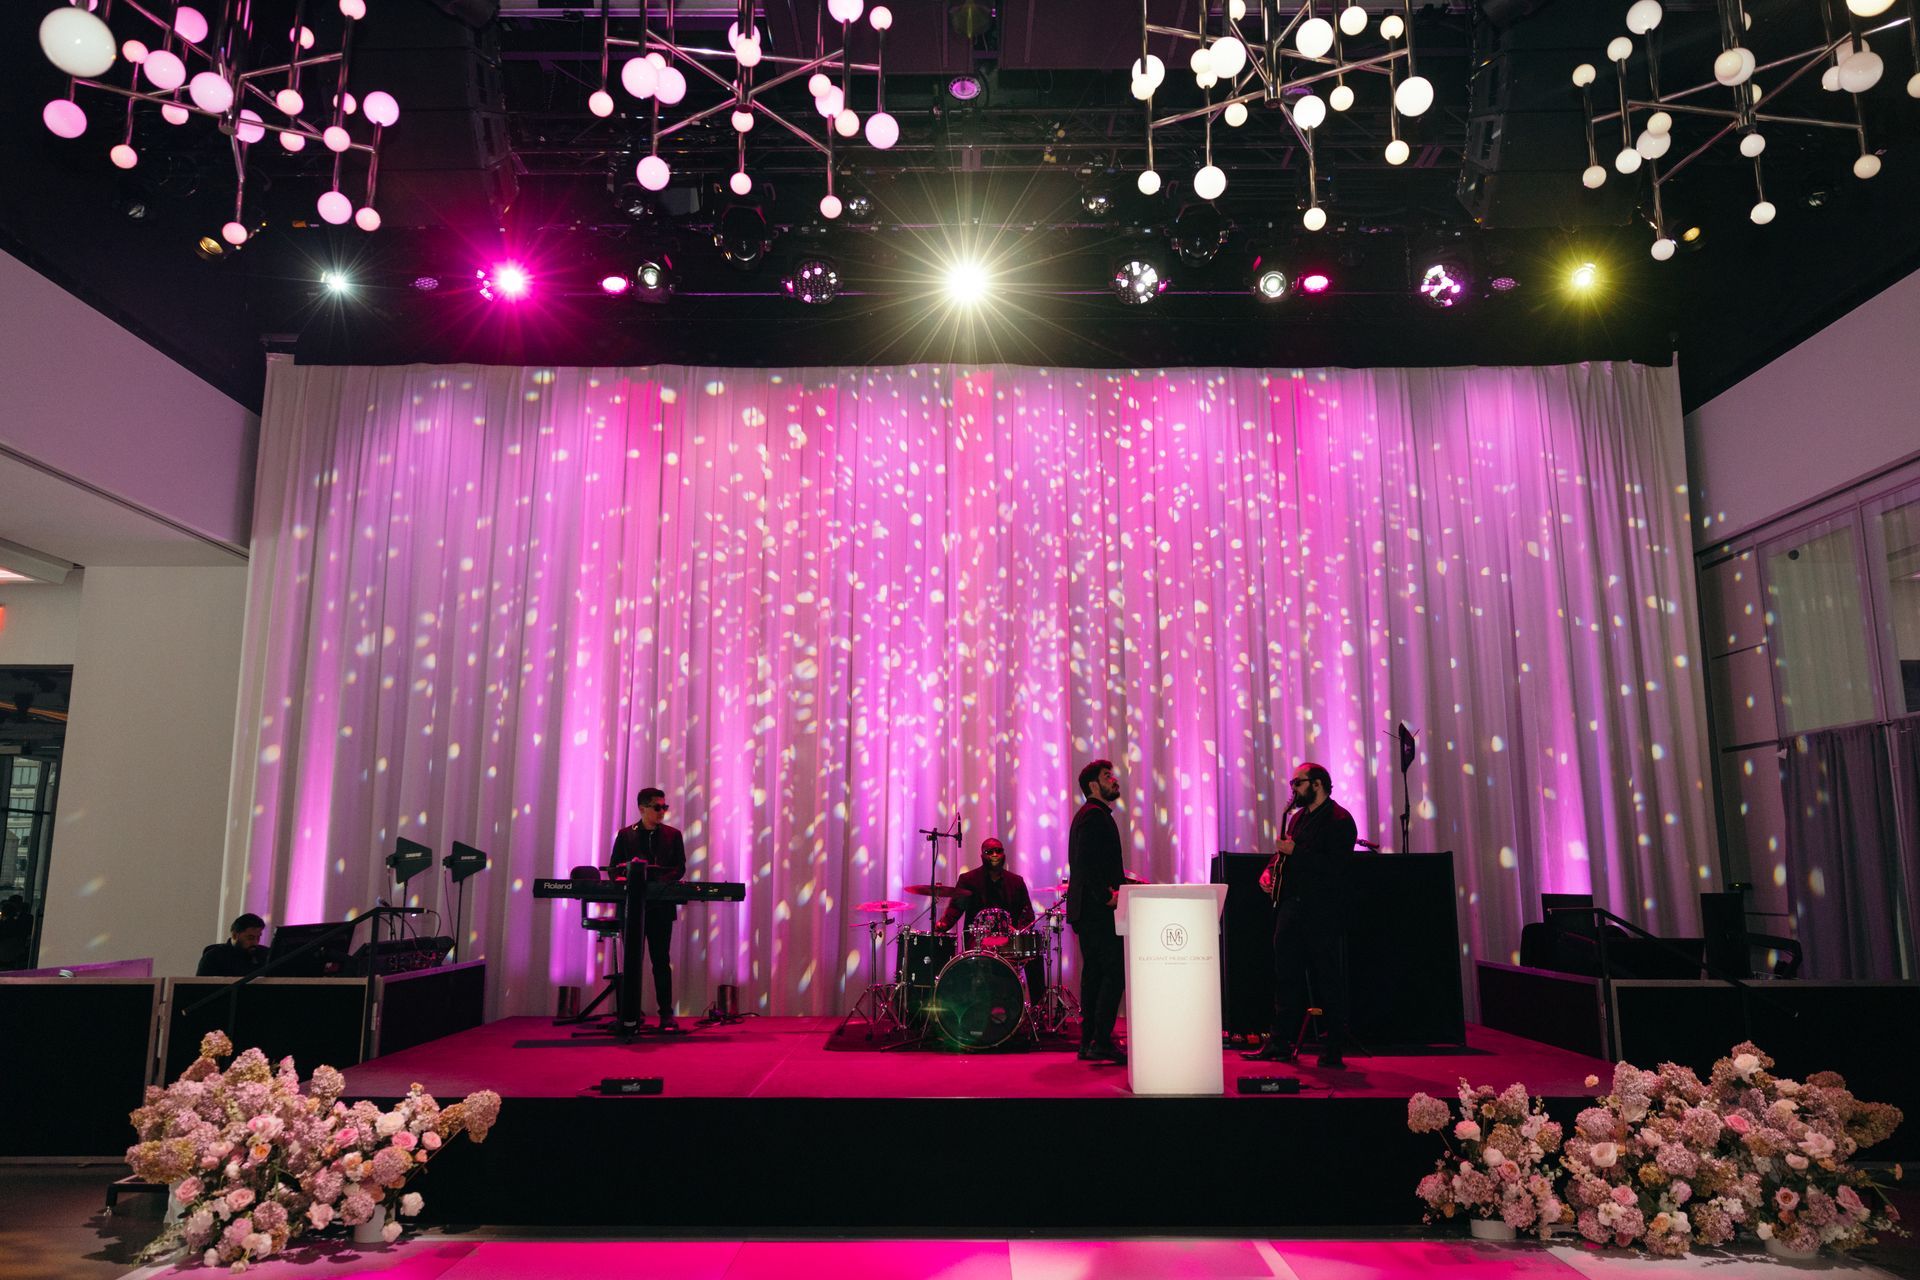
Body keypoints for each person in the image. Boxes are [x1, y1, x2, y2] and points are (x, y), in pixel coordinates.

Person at [1245, 761, 1358, 1068]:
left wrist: (1297, 853)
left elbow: (1337, 868)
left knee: (1326, 979)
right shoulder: (1297, 819)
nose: (1293, 789)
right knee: (1286, 977)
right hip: (1291, 906)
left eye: (1298, 783)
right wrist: (1270, 873)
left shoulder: (1339, 820)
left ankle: (1333, 1047)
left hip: (1321, 911)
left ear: (1317, 783)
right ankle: (1279, 1042)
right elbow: (1284, 854)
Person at [607, 786, 688, 1030]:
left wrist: (657, 882)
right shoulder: (625, 835)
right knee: (632, 962)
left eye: (665, 806)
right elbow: (614, 869)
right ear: (642, 809)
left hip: (660, 909)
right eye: (657, 807)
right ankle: (630, 1013)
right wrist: (631, 878)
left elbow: (680, 867)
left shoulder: (673, 835)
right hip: (632, 910)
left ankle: (666, 1013)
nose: (662, 811)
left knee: (661, 961)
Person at [1067, 758, 1126, 1064]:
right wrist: (1107, 896)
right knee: (1113, 972)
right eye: (1107, 776)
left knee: (1095, 974)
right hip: (1097, 909)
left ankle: (1089, 1041)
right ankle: (1100, 1040)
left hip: (1088, 909)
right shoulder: (1094, 816)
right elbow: (1087, 864)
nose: (1114, 780)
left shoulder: (1090, 815)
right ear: (1094, 785)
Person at [937, 836, 1047, 998]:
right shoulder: (968, 880)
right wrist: (941, 926)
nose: (995, 854)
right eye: (990, 851)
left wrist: (1017, 930)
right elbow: (955, 909)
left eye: (998, 851)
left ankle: (1038, 1010)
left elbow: (1027, 914)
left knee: (1035, 955)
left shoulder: (1016, 882)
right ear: (982, 856)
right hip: (978, 942)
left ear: (1004, 854)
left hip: (1008, 942)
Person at [197, 913, 268, 978]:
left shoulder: (266, 955)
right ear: (234, 935)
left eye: (258, 937)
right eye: (250, 938)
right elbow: (201, 987)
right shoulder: (214, 957)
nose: (255, 942)